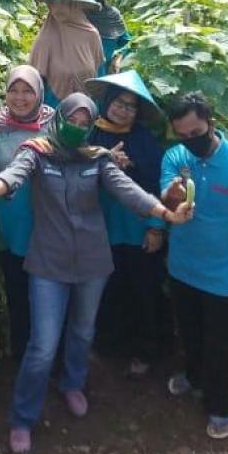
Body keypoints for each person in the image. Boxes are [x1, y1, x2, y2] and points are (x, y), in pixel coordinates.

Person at [0, 93, 194, 454]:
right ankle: (23, 417)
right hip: (48, 261)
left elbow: (129, 191)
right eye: (72, 120)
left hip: (92, 260)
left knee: (83, 330)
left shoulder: (97, 158)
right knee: (43, 345)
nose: (77, 127)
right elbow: (13, 175)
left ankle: (72, 383)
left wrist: (166, 214)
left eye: (85, 123)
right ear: (58, 119)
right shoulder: (37, 152)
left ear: (90, 128)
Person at [159, 92, 228, 440]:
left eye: (195, 133)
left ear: (210, 122)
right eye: (182, 135)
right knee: (189, 331)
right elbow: (164, 200)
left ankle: (220, 407)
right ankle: (193, 376)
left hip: (223, 273)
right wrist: (172, 196)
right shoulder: (175, 157)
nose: (190, 140)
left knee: (220, 344)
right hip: (182, 266)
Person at [0, 65, 56, 361]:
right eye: (13, 91)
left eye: (27, 91)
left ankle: (50, 353)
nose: (19, 98)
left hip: (47, 220)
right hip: (12, 220)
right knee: (17, 288)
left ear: (39, 93)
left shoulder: (54, 123)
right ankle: (22, 352)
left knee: (49, 292)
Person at [85, 71, 168, 377]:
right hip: (101, 230)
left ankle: (144, 351)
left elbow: (159, 185)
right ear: (107, 101)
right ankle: (108, 346)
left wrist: (156, 227)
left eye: (131, 106)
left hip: (137, 231)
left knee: (142, 291)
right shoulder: (91, 134)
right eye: (118, 102)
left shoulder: (144, 140)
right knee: (108, 289)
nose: (122, 110)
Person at [29, 0, 106, 109]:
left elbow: (99, 76)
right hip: (51, 108)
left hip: (84, 111)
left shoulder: (91, 35)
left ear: (74, 4)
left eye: (63, 3)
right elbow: (33, 80)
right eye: (52, 3)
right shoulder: (45, 37)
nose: (57, 8)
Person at [74, 0, 130, 71]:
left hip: (102, 74)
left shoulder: (113, 15)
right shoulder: (72, 13)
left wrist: (118, 58)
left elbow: (126, 43)